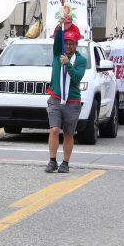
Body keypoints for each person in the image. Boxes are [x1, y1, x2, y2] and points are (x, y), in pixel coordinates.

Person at [45, 23, 87, 174]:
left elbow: (76, 77)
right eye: (66, 43)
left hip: (72, 101)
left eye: (71, 44)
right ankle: (52, 160)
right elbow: (57, 38)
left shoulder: (81, 60)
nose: (68, 46)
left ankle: (65, 163)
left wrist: (68, 64)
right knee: (54, 129)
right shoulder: (58, 54)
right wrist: (61, 24)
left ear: (76, 45)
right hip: (56, 99)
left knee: (69, 134)